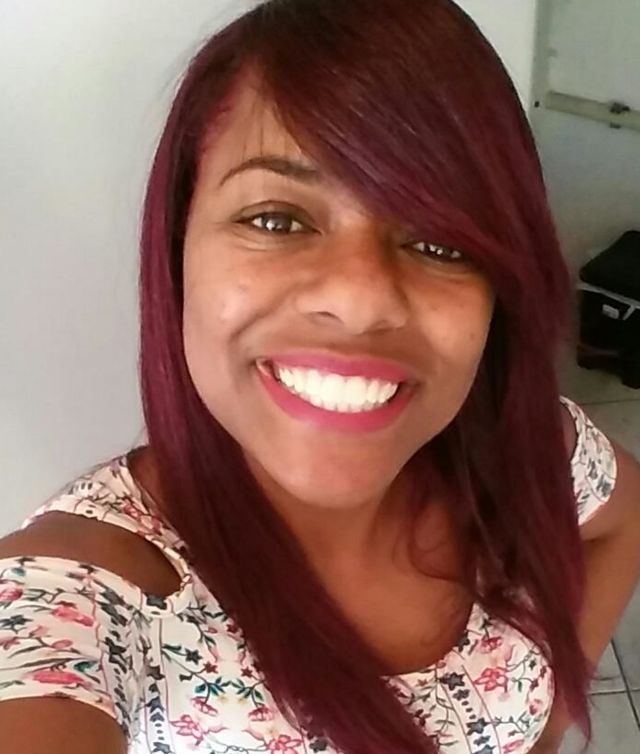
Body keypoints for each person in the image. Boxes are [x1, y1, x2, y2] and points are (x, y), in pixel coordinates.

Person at [1, 1, 639, 752]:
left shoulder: (523, 449)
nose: (361, 300)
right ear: (178, 252)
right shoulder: (77, 592)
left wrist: (545, 730)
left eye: (439, 241)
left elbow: (623, 519)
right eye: (276, 219)